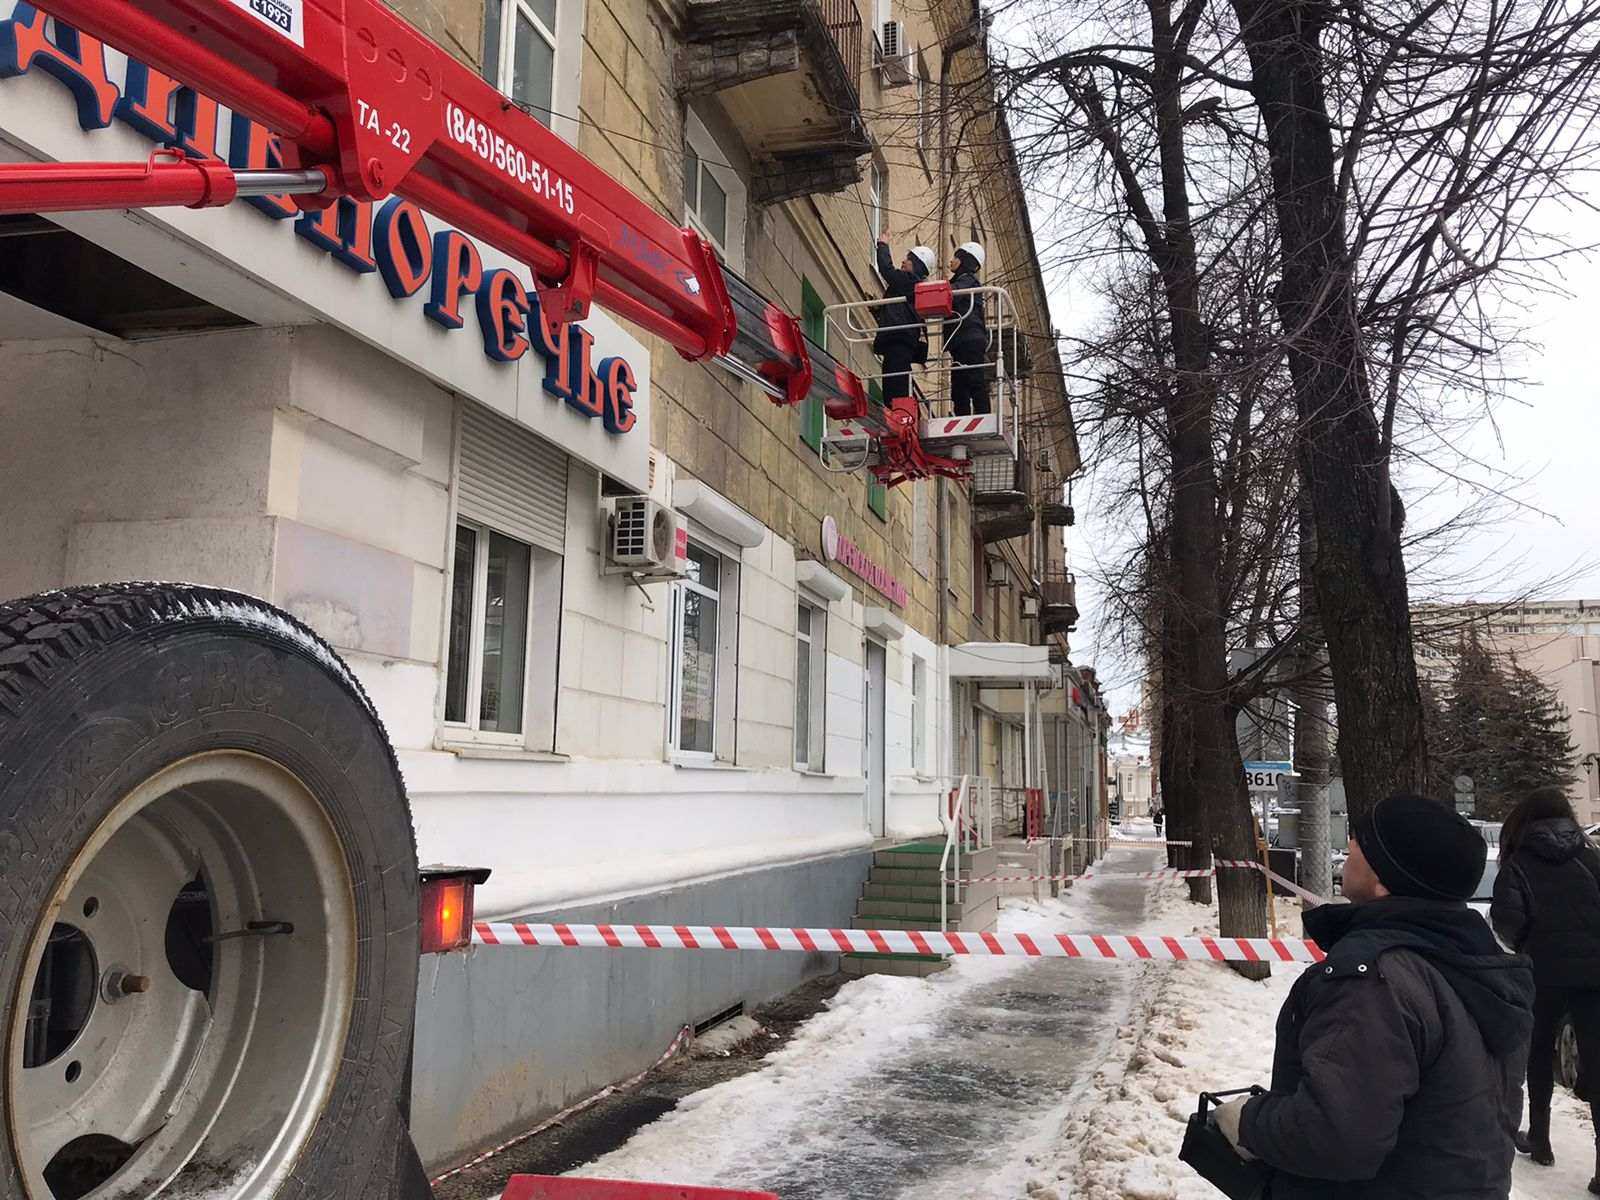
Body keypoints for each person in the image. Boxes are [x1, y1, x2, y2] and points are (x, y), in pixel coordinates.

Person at [1214, 792, 1535, 1199]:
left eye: (1360, 845)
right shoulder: (1475, 961)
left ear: (1384, 881)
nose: (1348, 851)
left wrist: (1247, 1122)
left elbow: (1336, 1138)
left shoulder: (1373, 980)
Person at [1491, 785, 1600, 1190]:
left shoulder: (1518, 864)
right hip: (1594, 977)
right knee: (1597, 1059)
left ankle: (1539, 1137)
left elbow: (1505, 920)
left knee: (1536, 1053)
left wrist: (1526, 945)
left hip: (1539, 973)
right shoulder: (1592, 859)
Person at [872, 238, 935, 405]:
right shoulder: (914, 286)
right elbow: (904, 309)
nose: (903, 262)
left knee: (894, 380)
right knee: (898, 376)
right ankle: (901, 410)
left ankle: (897, 412)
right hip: (903, 340)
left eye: (907, 259)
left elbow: (886, 269)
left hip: (898, 339)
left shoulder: (908, 279)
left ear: (916, 264)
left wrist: (883, 245)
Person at [946, 241, 990, 416]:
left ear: (965, 261)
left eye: (956, 257)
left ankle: (983, 416)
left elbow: (954, 295)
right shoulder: (961, 281)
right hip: (961, 340)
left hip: (969, 339)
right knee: (959, 386)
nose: (952, 260)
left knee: (974, 380)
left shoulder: (968, 280)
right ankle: (962, 418)